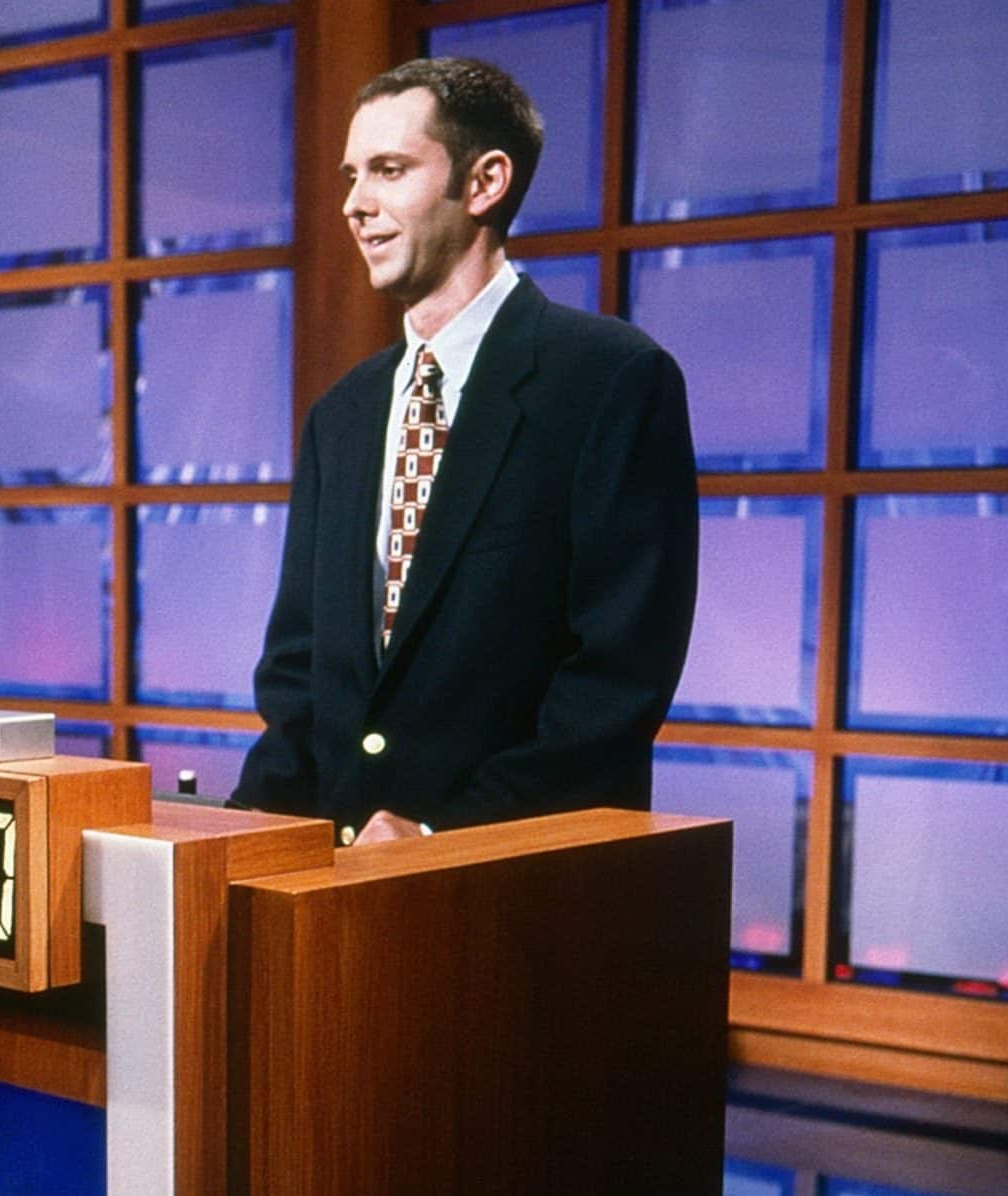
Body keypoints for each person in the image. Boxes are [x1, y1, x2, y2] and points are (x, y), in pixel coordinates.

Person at [232, 57, 697, 844]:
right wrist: (241, 843)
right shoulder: (341, 416)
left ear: (484, 183)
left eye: (389, 170)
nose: (355, 205)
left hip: (513, 897)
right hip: (335, 902)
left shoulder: (612, 380)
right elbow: (299, 676)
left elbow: (616, 682)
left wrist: (444, 835)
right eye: (352, 176)